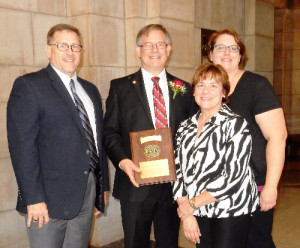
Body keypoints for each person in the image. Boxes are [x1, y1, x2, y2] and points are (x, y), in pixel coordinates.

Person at [7, 23, 109, 248]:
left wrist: (101, 190)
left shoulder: (90, 91)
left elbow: (96, 142)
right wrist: (33, 199)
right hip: (47, 199)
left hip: (86, 192)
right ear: (48, 50)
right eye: (62, 45)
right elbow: (22, 147)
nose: (70, 52)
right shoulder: (30, 86)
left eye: (75, 46)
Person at [103, 24, 195, 248]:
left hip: (174, 186)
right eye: (148, 44)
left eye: (160, 44)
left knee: (169, 243)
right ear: (138, 50)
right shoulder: (120, 88)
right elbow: (110, 132)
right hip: (136, 182)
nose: (155, 49)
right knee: (135, 243)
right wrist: (123, 161)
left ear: (169, 49)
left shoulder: (183, 89)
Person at [207, 29, 287, 248]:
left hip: (251, 188)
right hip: (211, 191)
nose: (226, 52)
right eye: (220, 47)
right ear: (210, 54)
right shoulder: (205, 89)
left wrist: (270, 186)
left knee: (255, 243)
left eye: (233, 48)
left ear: (241, 55)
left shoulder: (256, 86)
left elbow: (278, 137)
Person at [173, 63, 259, 248]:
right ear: (194, 91)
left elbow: (233, 177)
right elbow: (177, 170)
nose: (206, 91)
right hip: (197, 210)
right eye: (200, 85)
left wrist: (192, 205)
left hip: (230, 209)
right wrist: (187, 213)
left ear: (224, 92)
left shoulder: (236, 124)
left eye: (214, 86)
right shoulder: (184, 127)